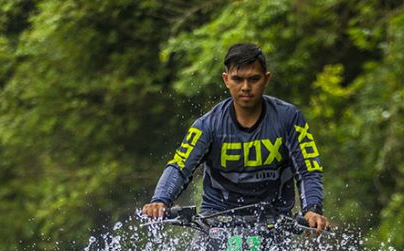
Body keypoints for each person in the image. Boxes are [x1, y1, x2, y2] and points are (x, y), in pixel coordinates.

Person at [141, 43, 330, 235]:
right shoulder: (207, 125)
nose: (246, 87)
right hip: (215, 220)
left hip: (274, 221)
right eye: (238, 79)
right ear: (226, 80)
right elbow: (180, 166)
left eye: (253, 79)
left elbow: (308, 169)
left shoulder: (289, 119)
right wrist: (160, 200)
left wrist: (312, 210)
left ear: (266, 79)